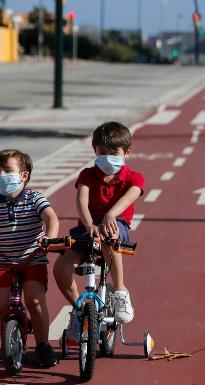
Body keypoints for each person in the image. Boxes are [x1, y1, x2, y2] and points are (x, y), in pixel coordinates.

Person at [0, 149, 60, 367]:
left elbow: (51, 219)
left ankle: (43, 345)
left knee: (35, 302)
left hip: (32, 259)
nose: (1, 175)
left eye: (7, 171)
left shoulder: (35, 198)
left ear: (24, 175)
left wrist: (49, 239)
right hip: (2, 262)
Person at [53, 121, 145, 342]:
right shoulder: (87, 175)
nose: (106, 157)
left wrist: (110, 215)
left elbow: (129, 197)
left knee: (109, 236)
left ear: (127, 152)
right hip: (87, 229)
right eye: (102, 152)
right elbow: (81, 202)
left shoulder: (134, 177)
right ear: (94, 150)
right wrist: (89, 225)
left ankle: (120, 291)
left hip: (116, 226)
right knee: (61, 267)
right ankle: (78, 311)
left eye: (113, 152)